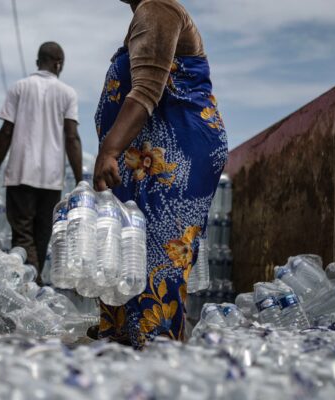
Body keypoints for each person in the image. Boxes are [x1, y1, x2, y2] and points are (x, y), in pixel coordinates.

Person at [93, 0, 228, 348]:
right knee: (132, 246)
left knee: (159, 254)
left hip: (177, 157)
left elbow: (147, 91)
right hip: (155, 157)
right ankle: (126, 338)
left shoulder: (157, 9)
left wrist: (109, 150)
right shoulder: (150, 13)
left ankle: (156, 353)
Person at [0, 42, 83, 270]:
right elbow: (72, 138)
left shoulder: (19, 88)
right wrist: (79, 181)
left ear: (38, 62)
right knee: (41, 237)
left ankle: (30, 284)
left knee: (22, 236)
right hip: (51, 180)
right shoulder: (68, 93)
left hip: (20, 174)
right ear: (59, 64)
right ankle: (34, 284)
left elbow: (6, 132)